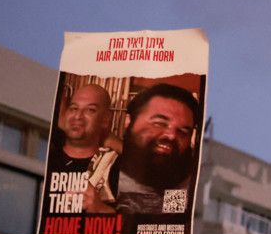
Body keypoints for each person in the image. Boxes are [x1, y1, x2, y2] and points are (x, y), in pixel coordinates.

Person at [88, 83, 200, 216]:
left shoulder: (187, 180)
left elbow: (166, 223)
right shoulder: (101, 165)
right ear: (129, 121)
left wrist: (104, 210)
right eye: (159, 123)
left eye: (182, 131)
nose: (171, 135)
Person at [50, 82, 115, 173]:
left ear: (106, 119)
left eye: (90, 110)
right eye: (74, 108)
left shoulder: (112, 166)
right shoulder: (48, 154)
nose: (77, 116)